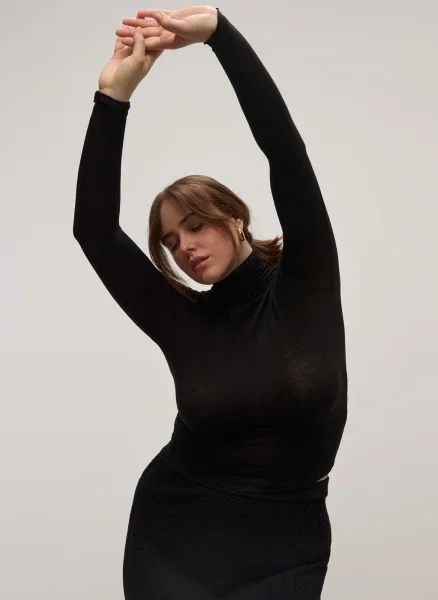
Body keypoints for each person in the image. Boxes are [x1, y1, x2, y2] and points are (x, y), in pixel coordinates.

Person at [73, 6, 348, 599]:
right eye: (171, 242)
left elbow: (285, 151)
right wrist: (113, 97)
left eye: (196, 225)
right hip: (176, 536)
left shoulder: (307, 282)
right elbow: (92, 230)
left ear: (234, 218)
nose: (186, 248)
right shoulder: (184, 321)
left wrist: (221, 34)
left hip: (290, 541)